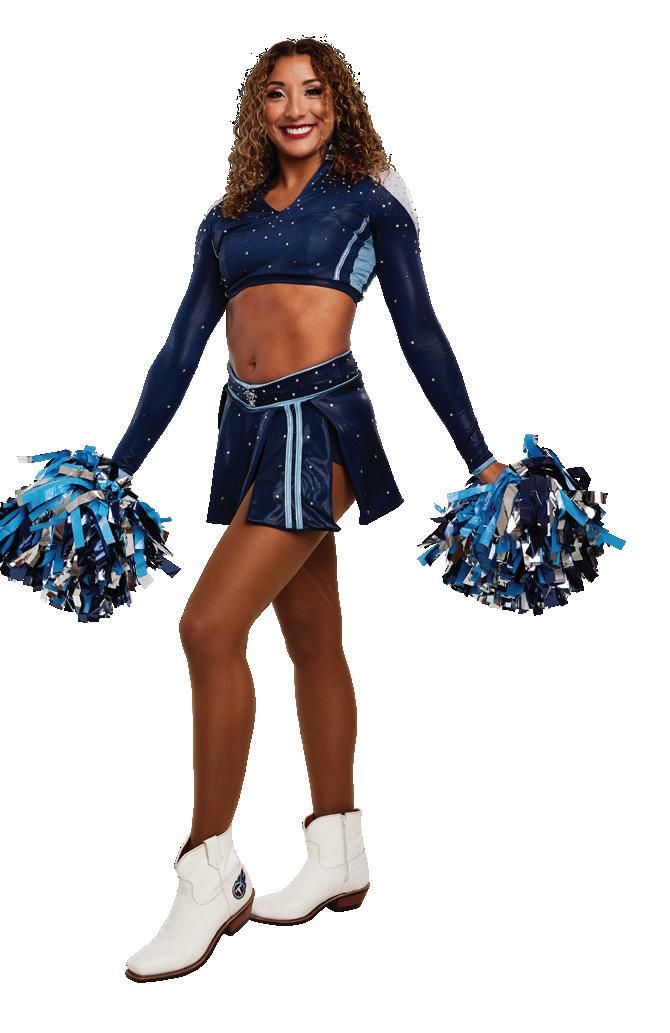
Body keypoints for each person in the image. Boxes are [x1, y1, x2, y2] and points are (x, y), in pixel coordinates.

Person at [119, 37, 506, 982]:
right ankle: (339, 848)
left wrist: (480, 456)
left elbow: (420, 334)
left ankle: (209, 870)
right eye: (277, 93)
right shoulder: (226, 220)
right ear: (257, 111)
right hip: (246, 427)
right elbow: (180, 349)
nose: (296, 108)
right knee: (313, 637)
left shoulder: (369, 205)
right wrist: (117, 468)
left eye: (314, 91)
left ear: (341, 104)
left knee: (208, 627)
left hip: (320, 428)